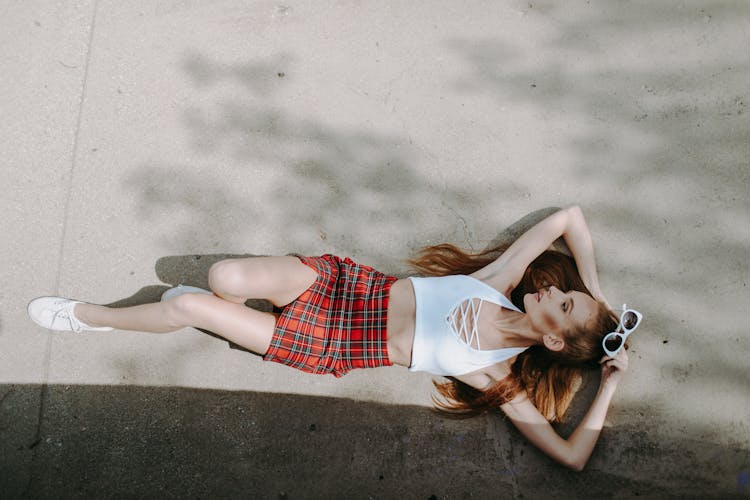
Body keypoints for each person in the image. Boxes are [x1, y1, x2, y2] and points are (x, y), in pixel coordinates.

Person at [28, 205, 639, 471]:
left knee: (188, 303)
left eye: (563, 302)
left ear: (555, 342)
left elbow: (571, 457)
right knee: (221, 279)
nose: (550, 288)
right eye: (566, 289)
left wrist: (607, 384)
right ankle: (222, 314)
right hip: (344, 289)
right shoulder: (497, 281)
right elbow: (569, 218)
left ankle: (90, 316)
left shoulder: (495, 375)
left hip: (333, 348)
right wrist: (600, 294)